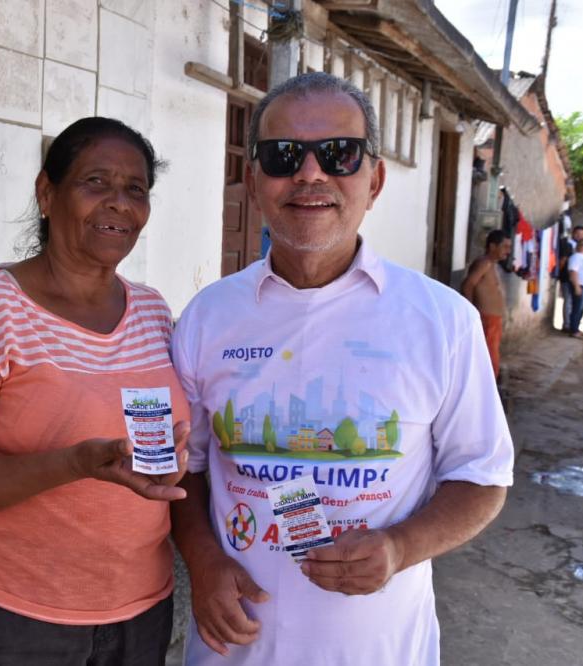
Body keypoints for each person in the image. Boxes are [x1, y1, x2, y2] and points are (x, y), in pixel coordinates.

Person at [170, 72, 513, 666]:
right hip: (235, 651)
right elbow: (186, 469)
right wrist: (204, 563)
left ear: (374, 180)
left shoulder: (442, 321)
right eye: (283, 156)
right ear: (255, 181)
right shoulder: (208, 317)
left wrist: (401, 546)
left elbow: (483, 477)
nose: (310, 174)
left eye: (339, 154)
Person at [0, 117, 191, 665]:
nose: (119, 203)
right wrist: (76, 464)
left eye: (135, 189)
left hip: (142, 609)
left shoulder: (153, 311)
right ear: (47, 193)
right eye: (96, 183)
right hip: (14, 618)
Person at [461, 229, 513, 377]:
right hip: (486, 319)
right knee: (488, 359)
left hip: (493, 320)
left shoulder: (491, 264)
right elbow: (468, 285)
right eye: (504, 246)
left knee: (491, 356)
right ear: (492, 246)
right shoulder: (484, 263)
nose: (508, 251)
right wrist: (470, 311)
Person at [560, 226, 583, 332]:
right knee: (571, 303)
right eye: (577, 233)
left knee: (579, 307)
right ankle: (569, 327)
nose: (579, 236)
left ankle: (574, 327)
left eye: (582, 234)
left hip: (582, 283)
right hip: (570, 280)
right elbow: (566, 263)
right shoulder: (570, 248)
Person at [568, 238, 583, 338]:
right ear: (578, 246)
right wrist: (576, 286)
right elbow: (573, 272)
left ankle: (576, 329)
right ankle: (574, 330)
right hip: (580, 285)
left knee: (581, 309)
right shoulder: (576, 257)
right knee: (577, 309)